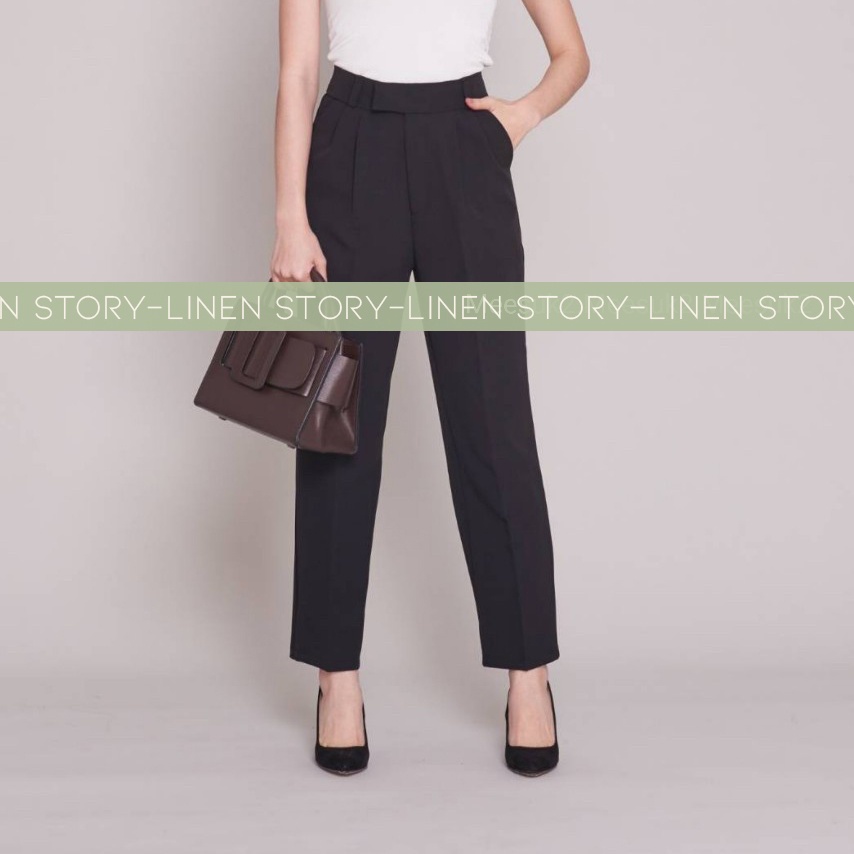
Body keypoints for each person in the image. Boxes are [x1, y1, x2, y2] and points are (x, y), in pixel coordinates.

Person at [270, 0, 589, 776]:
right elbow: (298, 72)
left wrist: (519, 117)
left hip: (463, 145)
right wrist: (289, 216)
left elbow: (572, 55)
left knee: (494, 425)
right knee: (338, 423)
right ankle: (337, 679)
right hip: (351, 145)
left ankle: (529, 675)